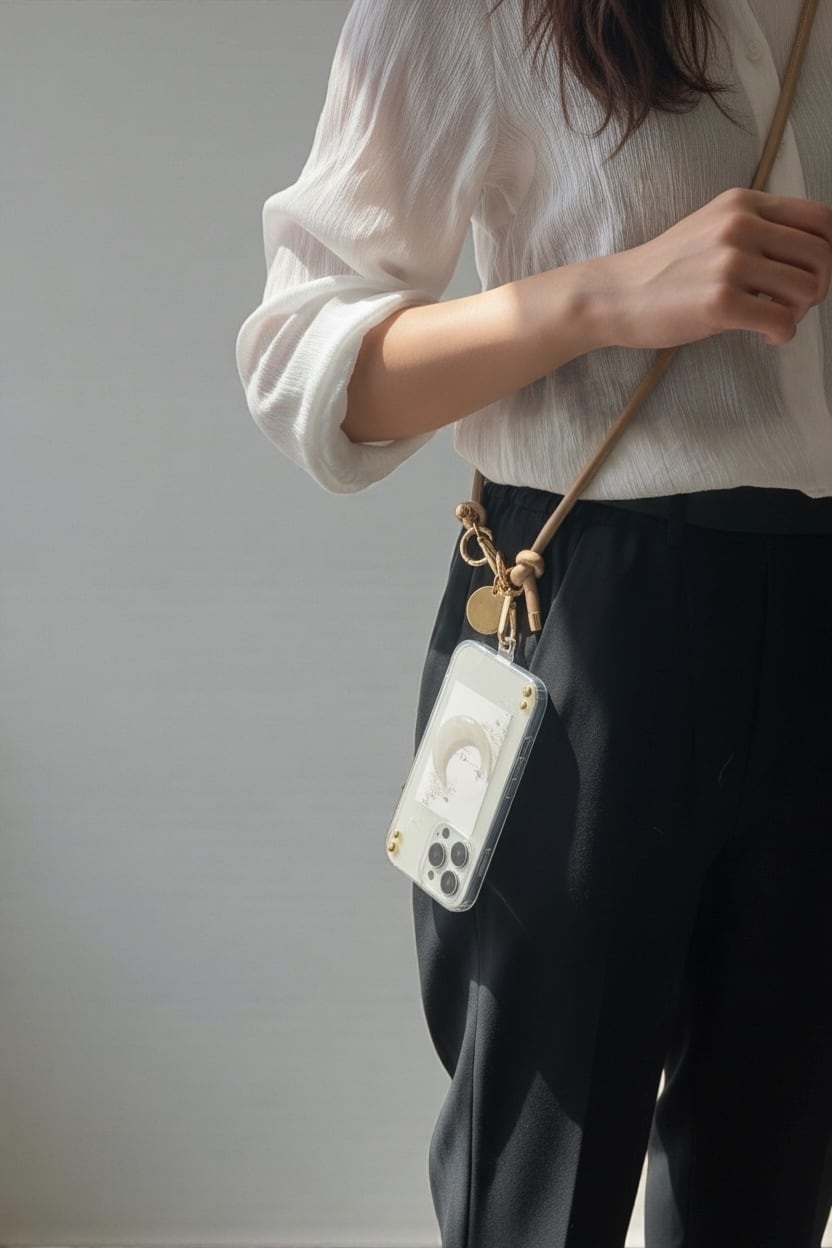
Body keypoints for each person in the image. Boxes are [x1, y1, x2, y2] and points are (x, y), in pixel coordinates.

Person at [234, 0, 832, 1243]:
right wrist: (604, 295)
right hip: (597, 622)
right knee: (537, 1184)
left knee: (777, 1169)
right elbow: (301, 360)